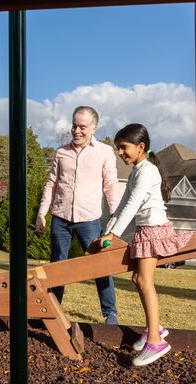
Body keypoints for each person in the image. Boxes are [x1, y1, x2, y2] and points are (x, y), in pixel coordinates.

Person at [98, 123, 193, 366]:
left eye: (124, 147)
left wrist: (114, 235)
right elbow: (121, 206)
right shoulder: (136, 171)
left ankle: (156, 341)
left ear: (140, 147)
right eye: (119, 148)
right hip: (144, 229)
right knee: (137, 279)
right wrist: (107, 231)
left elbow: (133, 205)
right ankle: (156, 328)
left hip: (154, 230)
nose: (120, 152)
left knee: (144, 281)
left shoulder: (148, 171)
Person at [35, 106, 120, 324]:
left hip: (89, 221)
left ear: (94, 128)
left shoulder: (104, 152)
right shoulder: (61, 152)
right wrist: (42, 212)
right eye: (74, 125)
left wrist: (115, 214)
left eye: (82, 126)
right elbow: (52, 184)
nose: (77, 130)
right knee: (56, 268)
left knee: (100, 266)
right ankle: (51, 312)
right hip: (60, 220)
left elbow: (110, 185)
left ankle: (110, 314)